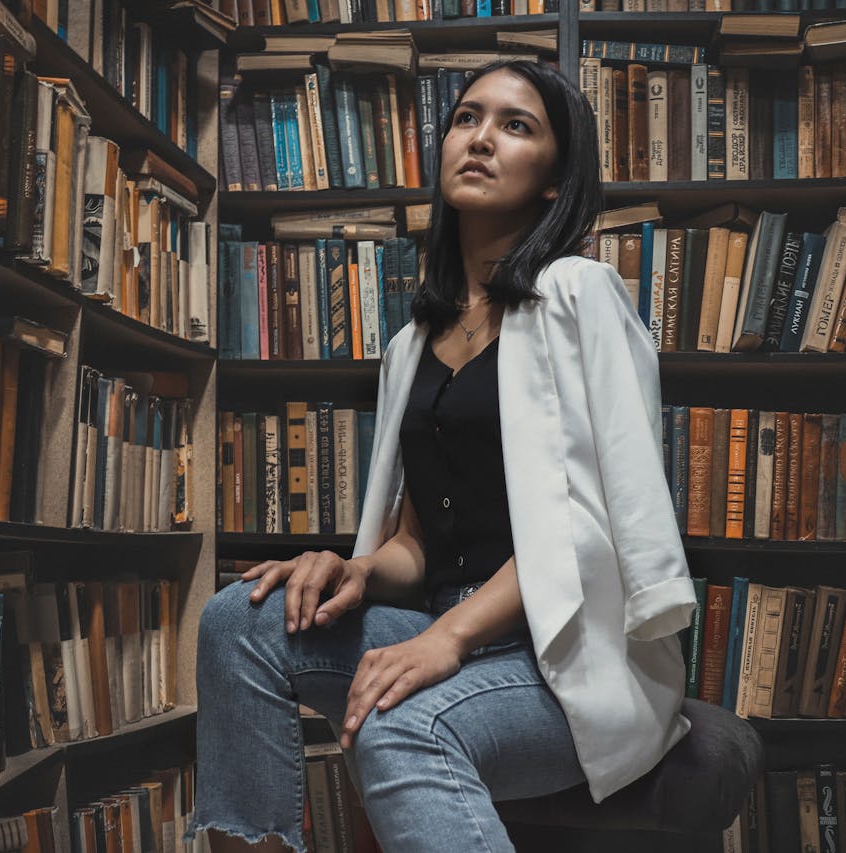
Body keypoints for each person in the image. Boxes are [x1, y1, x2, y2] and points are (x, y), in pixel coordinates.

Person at [193, 60, 696, 853]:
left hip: (559, 657)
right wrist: (357, 569)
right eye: (467, 118)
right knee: (237, 618)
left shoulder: (579, 294)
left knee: (403, 724)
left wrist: (449, 638)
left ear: (555, 178)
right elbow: (418, 541)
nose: (483, 138)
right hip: (443, 623)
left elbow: (587, 527)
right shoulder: (409, 345)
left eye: (516, 125)